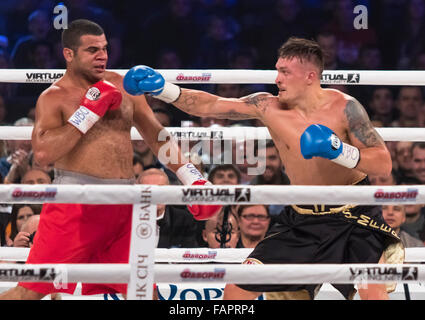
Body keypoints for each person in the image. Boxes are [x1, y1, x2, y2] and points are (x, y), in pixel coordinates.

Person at [124, 37, 403, 300]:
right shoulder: (268, 106)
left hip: (354, 216)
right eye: (276, 70)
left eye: (284, 72)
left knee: (373, 292)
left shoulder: (345, 108)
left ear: (310, 76)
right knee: (235, 289)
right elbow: (211, 105)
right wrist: (164, 89)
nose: (276, 78)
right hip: (303, 218)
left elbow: (383, 163)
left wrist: (339, 151)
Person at [0, 19, 220, 300]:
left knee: (142, 291)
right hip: (75, 204)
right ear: (69, 54)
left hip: (123, 203)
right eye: (92, 50)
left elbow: (155, 135)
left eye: (105, 48)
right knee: (29, 292)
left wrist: (191, 176)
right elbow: (43, 153)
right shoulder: (54, 97)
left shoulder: (123, 86)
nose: (102, 55)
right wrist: (86, 113)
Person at [137, 168, 198, 248]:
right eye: (149, 189)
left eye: (161, 189)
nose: (156, 194)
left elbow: (189, 256)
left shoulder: (184, 220)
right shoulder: (127, 220)